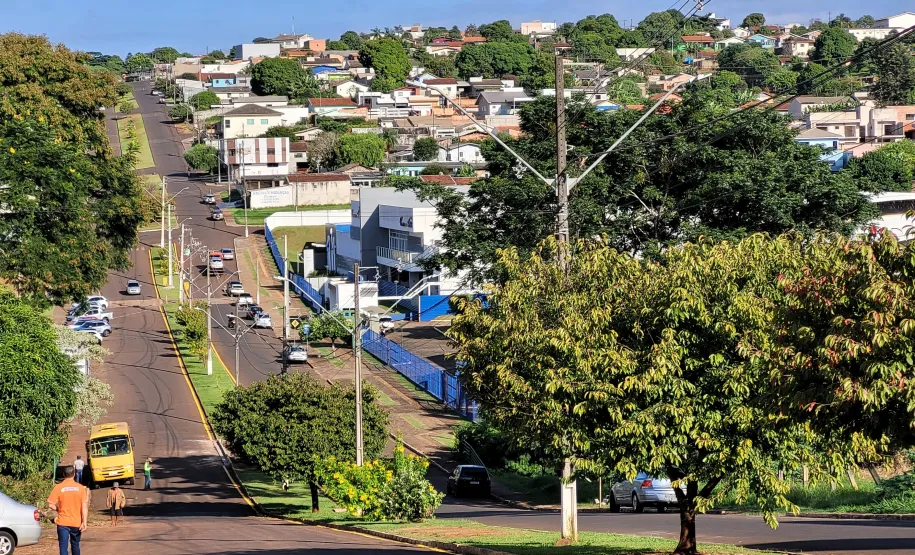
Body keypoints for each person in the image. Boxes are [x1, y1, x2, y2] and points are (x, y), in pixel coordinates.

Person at [47, 466, 88, 555]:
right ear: (74, 474)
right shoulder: (80, 488)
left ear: (63, 475)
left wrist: (58, 509)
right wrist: (84, 522)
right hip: (76, 523)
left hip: (62, 523)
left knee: (63, 546)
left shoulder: (58, 487)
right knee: (75, 545)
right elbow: (84, 506)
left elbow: (50, 504)